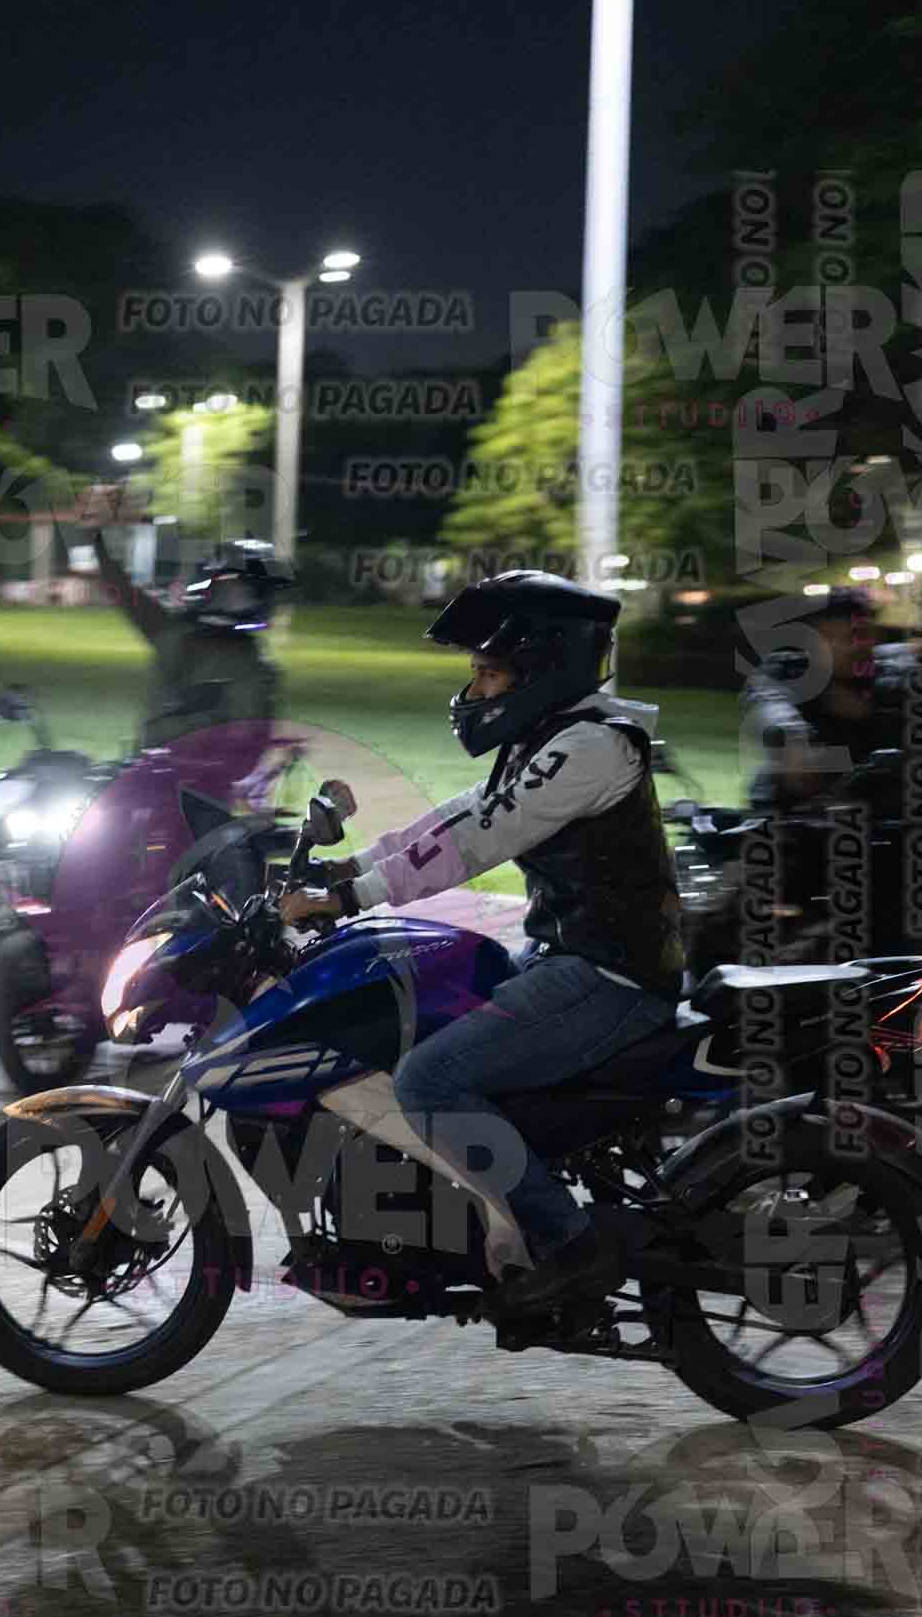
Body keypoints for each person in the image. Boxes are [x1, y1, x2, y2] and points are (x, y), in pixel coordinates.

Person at [279, 570, 685, 1311]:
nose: (475, 690)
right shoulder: (550, 738)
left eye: (490, 673)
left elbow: (480, 841)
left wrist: (348, 897)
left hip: (611, 977)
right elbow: (454, 818)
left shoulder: (593, 748)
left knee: (428, 1080)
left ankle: (570, 1244)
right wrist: (346, 869)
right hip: (567, 958)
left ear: (544, 668)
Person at [83, 488, 286, 785]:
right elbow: (123, 591)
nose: (231, 598)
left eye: (241, 592)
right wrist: (96, 537)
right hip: (145, 779)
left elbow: (246, 742)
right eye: (226, 588)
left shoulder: (252, 666)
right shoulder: (174, 631)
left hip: (205, 786)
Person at [744, 586, 904, 813]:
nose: (858, 647)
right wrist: (793, 738)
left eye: (864, 635)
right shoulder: (789, 671)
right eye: (845, 638)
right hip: (796, 813)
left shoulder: (891, 678)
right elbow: (769, 704)